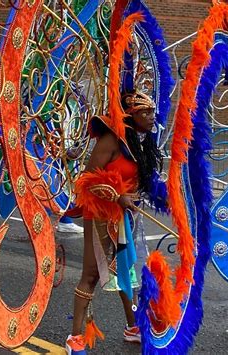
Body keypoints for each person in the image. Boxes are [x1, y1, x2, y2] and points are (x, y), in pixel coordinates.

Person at [65, 90, 163, 354]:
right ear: (132, 115)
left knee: (126, 271)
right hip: (100, 214)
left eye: (153, 112)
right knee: (91, 274)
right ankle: (75, 336)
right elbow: (87, 180)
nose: (152, 117)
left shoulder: (140, 143)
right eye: (146, 112)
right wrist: (117, 196)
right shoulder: (111, 140)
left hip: (125, 216)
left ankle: (132, 327)